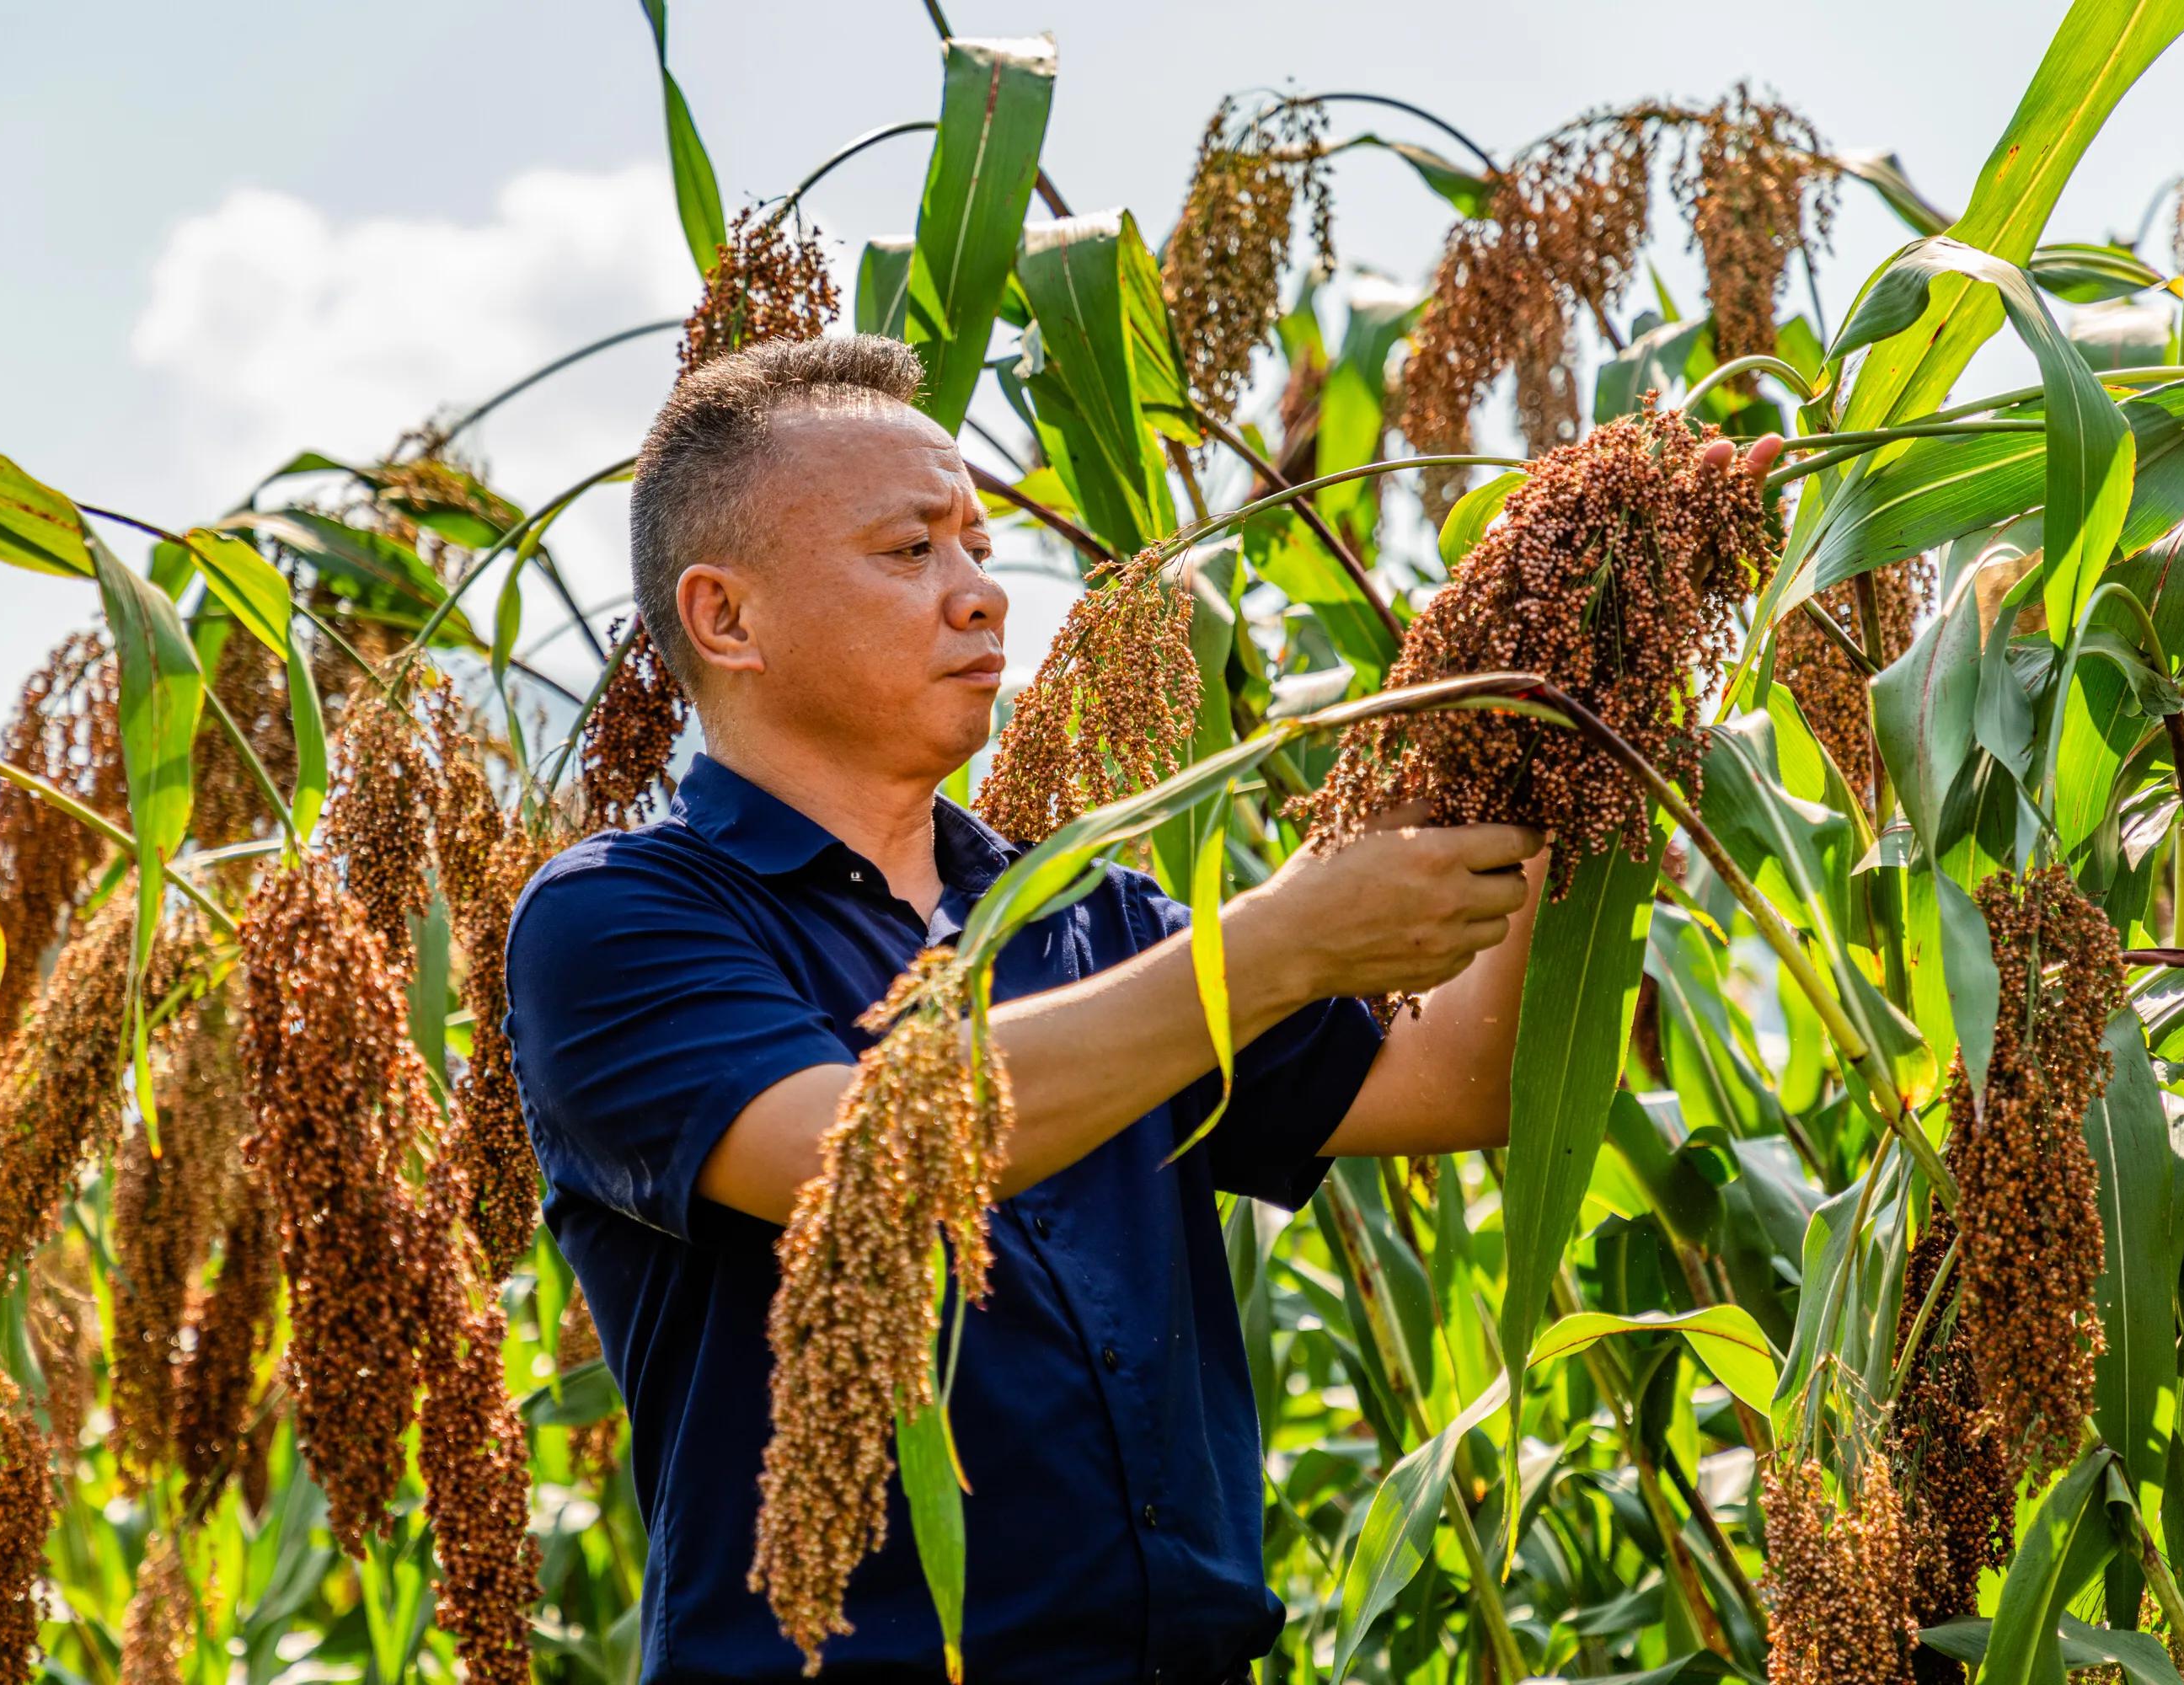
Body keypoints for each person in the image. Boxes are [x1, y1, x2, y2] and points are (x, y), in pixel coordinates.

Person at [505, 334, 1780, 1684]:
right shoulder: (617, 919)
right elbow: (854, 1153)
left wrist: (1590, 662)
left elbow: (1455, 1079)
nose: (983, 593)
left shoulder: (1085, 920)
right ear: (727, 619)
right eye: (911, 551)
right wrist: (1280, 944)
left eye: (980, 545)